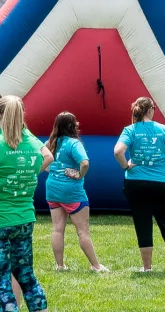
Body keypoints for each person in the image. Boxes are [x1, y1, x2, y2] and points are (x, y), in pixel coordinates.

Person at [0, 95, 51, 311]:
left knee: (2, 282)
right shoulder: (33, 147)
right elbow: (46, 159)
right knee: (27, 278)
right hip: (23, 219)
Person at [117, 96, 165, 273]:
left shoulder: (130, 130)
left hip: (136, 183)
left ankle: (147, 268)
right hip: (161, 182)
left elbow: (118, 151)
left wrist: (126, 165)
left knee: (143, 222)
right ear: (150, 109)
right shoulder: (164, 130)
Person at [44, 112, 106, 273]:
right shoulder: (74, 144)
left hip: (52, 189)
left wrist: (54, 171)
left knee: (57, 229)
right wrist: (79, 174)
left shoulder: (51, 142)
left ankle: (60, 266)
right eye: (75, 122)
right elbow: (84, 163)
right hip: (71, 192)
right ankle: (96, 266)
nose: (78, 123)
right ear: (71, 126)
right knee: (83, 230)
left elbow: (42, 161)